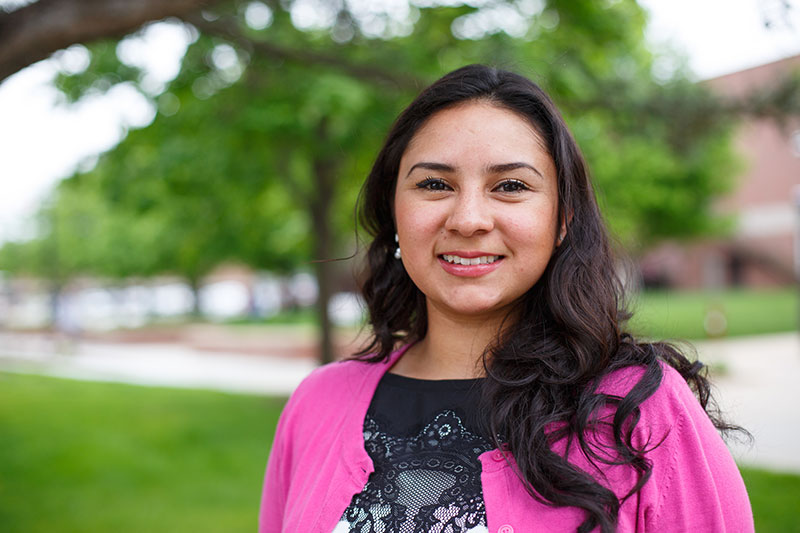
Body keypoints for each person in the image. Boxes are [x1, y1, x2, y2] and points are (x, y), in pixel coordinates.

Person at [259, 65, 753, 533]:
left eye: (511, 186)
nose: (468, 219)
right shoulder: (315, 404)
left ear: (562, 220)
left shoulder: (641, 410)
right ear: (394, 214)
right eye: (434, 184)